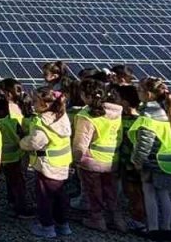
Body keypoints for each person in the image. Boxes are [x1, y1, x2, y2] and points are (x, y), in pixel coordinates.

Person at [129, 78, 171, 242]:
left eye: (139, 90)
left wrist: (137, 161)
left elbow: (144, 143)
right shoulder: (163, 111)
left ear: (148, 94)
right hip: (168, 160)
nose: (137, 93)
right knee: (164, 195)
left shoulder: (147, 116)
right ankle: (166, 229)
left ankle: (152, 229)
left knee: (149, 194)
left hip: (152, 162)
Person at [72, 78, 125, 232]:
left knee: (94, 193)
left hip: (91, 161)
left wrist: (76, 159)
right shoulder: (116, 112)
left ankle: (97, 219)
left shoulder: (87, 115)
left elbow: (80, 143)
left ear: (84, 95)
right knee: (111, 192)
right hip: (112, 160)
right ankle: (118, 220)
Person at [19, 87, 72, 240]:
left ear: (45, 104)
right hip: (62, 164)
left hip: (46, 166)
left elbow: (35, 142)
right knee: (60, 195)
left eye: (35, 101)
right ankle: (63, 225)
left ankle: (47, 227)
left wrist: (22, 142)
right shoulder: (62, 116)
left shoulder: (42, 123)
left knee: (44, 197)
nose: (32, 104)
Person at [0, 84, 32, 220]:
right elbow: (22, 135)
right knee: (17, 183)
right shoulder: (13, 122)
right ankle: (20, 208)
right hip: (14, 158)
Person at [116, 83, 147, 233]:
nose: (113, 100)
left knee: (134, 192)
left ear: (125, 102)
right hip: (130, 162)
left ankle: (138, 221)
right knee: (134, 191)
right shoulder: (140, 117)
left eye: (117, 98)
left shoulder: (132, 121)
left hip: (132, 164)